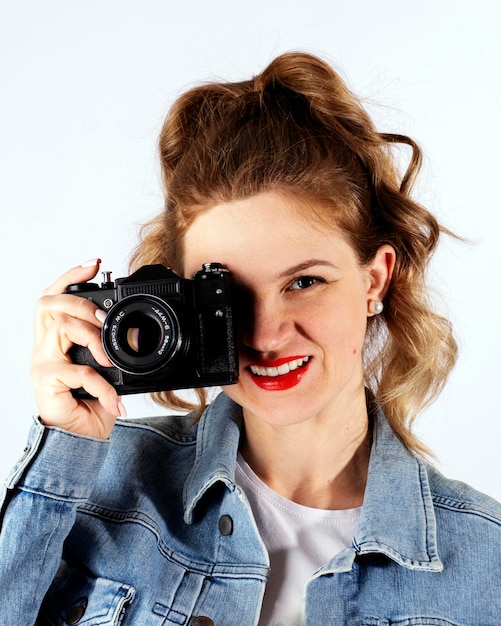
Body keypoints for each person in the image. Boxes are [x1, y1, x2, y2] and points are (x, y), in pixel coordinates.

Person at [1, 51, 500, 625]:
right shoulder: (101, 483)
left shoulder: (486, 561)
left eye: (305, 282)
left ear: (375, 279)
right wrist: (62, 448)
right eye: (227, 296)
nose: (265, 334)